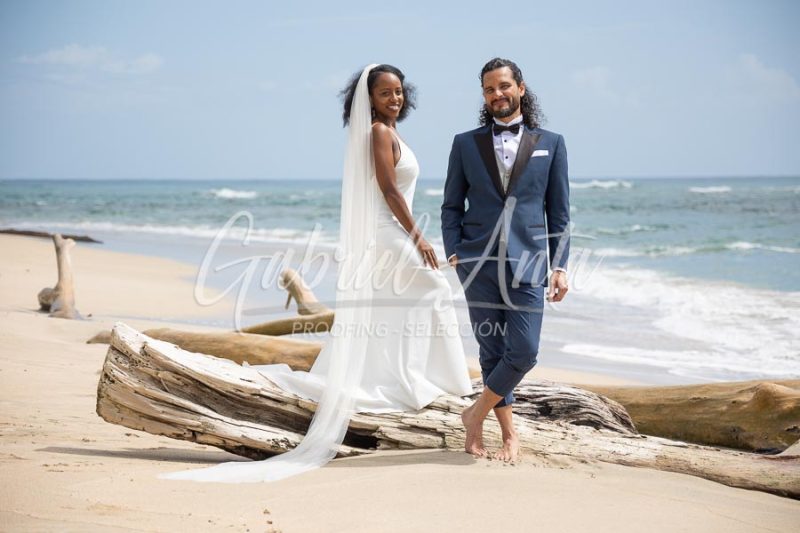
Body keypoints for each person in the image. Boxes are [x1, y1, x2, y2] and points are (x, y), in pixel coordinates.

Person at [159, 64, 472, 483]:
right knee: (432, 289)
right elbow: (388, 189)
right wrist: (419, 238)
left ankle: (410, 378)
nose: (394, 99)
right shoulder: (379, 132)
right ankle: (431, 382)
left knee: (402, 305)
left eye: (398, 91)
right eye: (385, 93)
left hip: (392, 232)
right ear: (369, 100)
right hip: (387, 233)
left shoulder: (392, 132)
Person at [441, 57, 570, 462]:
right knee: (491, 350)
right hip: (476, 262)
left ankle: (474, 414)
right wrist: (455, 252)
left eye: (503, 86)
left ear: (520, 88)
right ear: (484, 95)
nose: (497, 94)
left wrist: (560, 265)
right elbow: (450, 205)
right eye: (489, 89)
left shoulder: (552, 142)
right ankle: (509, 435)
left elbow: (559, 211)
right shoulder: (465, 143)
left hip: (529, 261)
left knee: (525, 351)